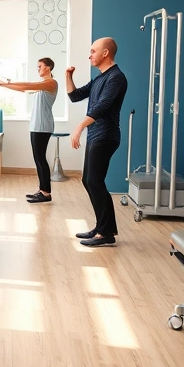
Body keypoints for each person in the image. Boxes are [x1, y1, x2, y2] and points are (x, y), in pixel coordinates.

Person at [66, 38, 128, 247]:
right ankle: (103, 228)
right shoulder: (100, 78)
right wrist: (68, 76)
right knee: (89, 180)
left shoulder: (116, 78)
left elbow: (102, 107)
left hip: (106, 136)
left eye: (93, 51)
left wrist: (79, 126)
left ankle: (106, 233)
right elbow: (75, 96)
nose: (89, 55)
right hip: (96, 136)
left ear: (105, 53)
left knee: (94, 181)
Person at [0, 57, 59, 203]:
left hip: (43, 126)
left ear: (49, 67)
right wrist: (3, 85)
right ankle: (42, 190)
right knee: (38, 158)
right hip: (36, 126)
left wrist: (3, 83)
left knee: (40, 158)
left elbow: (26, 85)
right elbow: (22, 89)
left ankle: (46, 193)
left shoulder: (51, 83)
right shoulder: (40, 85)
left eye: (40, 66)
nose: (38, 68)